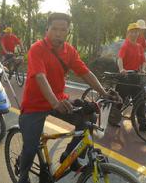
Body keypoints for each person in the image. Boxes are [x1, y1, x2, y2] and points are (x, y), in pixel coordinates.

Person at [18, 12, 119, 183]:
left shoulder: (69, 51)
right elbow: (40, 77)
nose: (58, 33)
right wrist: (54, 102)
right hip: (35, 105)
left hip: (60, 101)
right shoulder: (37, 49)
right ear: (47, 29)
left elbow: (85, 73)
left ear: (67, 32)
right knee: (30, 148)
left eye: (63, 30)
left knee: (89, 117)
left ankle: (69, 155)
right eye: (54, 29)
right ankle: (22, 176)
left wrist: (104, 93)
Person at [116, 23, 146, 133]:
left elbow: (143, 61)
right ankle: (113, 119)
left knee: (140, 102)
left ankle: (143, 125)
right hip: (126, 77)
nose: (134, 34)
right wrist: (121, 69)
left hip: (136, 77)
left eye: (136, 32)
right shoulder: (125, 46)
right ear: (128, 33)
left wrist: (142, 69)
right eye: (132, 32)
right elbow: (120, 58)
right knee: (119, 100)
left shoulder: (139, 47)